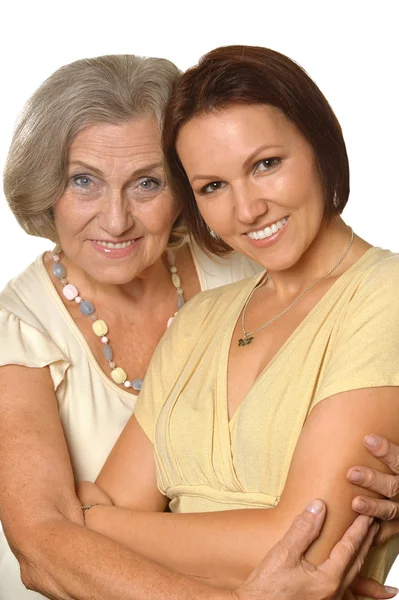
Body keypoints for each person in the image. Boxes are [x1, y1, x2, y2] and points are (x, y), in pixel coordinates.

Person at [0, 52, 397, 600]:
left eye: (265, 164)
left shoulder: (377, 292)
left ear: (321, 146)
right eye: (212, 185)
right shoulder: (197, 321)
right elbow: (49, 548)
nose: (249, 209)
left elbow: (302, 545)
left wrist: (96, 526)